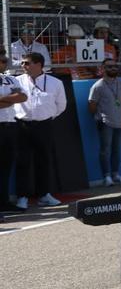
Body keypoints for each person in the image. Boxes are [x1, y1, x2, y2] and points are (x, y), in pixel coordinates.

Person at [13, 53, 66, 210]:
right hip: (22, 125)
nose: (23, 66)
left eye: (27, 63)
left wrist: (46, 117)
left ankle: (44, 195)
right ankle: (22, 197)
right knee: (23, 161)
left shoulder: (55, 83)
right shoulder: (17, 81)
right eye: (23, 63)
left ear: (39, 65)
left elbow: (61, 105)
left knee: (43, 160)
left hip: (44, 125)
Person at [88, 58, 121, 187]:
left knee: (116, 149)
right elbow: (92, 105)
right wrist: (100, 117)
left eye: (115, 66)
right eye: (109, 67)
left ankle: (115, 174)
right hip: (105, 123)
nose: (113, 69)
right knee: (105, 150)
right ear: (103, 69)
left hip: (120, 121)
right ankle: (106, 177)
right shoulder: (98, 86)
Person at [0, 55, 27, 212]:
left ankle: (3, 202)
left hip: (10, 126)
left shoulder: (10, 79)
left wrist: (3, 99)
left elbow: (22, 97)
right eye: (2, 61)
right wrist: (11, 100)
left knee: (6, 167)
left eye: (6, 61)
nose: (5, 64)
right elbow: (15, 98)